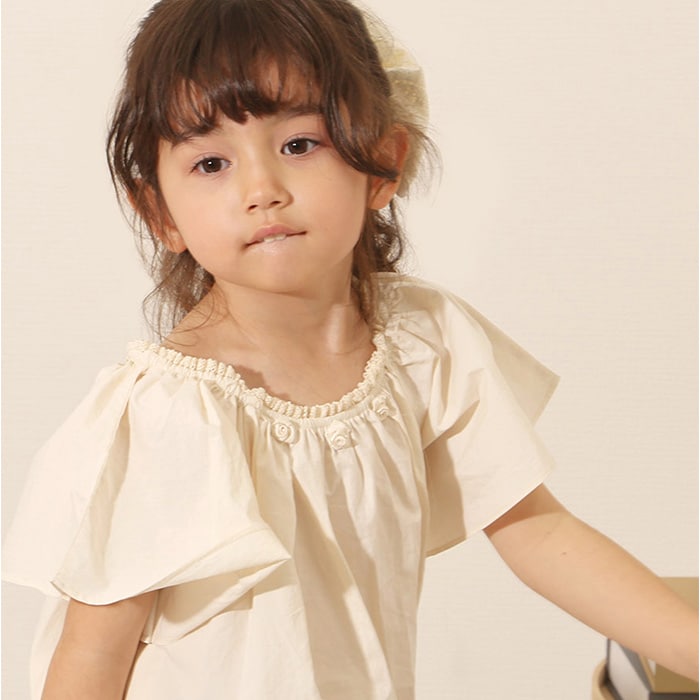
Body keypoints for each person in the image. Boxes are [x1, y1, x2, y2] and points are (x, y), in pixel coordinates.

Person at [3, 0, 697, 698]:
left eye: (299, 145)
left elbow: (537, 532)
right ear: (160, 212)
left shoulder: (424, 342)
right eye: (211, 162)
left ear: (383, 162)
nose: (261, 190)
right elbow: (91, 657)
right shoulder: (166, 415)